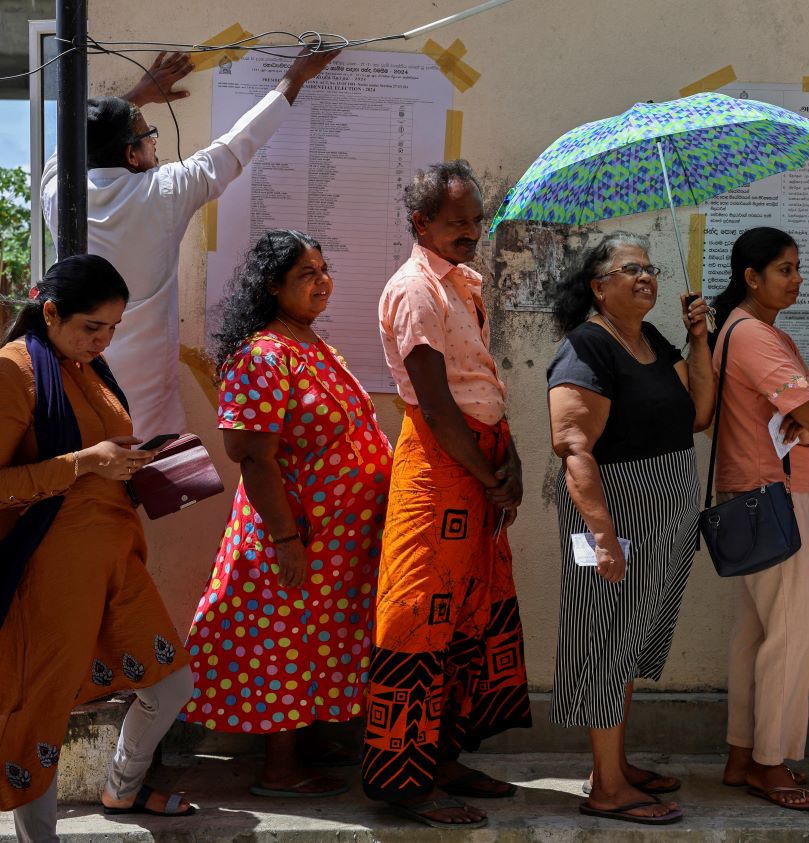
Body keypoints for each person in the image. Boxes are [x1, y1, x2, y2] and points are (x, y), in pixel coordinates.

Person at [180, 230, 392, 797]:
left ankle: (313, 741)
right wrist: (285, 539)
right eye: (307, 274)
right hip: (293, 534)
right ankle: (279, 768)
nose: (323, 283)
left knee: (318, 639)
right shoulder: (263, 354)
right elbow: (252, 454)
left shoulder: (312, 346)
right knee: (283, 645)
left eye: (325, 271)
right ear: (273, 286)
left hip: (335, 540)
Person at [41, 48, 339, 439]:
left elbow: (78, 141)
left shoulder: (57, 191)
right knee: (147, 487)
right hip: (145, 398)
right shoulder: (164, 192)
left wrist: (139, 95)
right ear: (132, 154)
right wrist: (296, 76)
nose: (155, 146)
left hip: (73, 382)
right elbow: (237, 145)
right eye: (149, 137)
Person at [0, 255, 196, 842]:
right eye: (92, 327)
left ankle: (122, 787)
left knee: (170, 684)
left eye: (113, 328)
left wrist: (143, 464)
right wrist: (86, 463)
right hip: (50, 570)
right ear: (51, 312)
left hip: (116, 556)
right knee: (43, 710)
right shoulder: (14, 372)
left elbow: (105, 452)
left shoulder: (89, 366)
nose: (103, 340)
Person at [365, 160, 531, 829]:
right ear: (421, 223)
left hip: (478, 466)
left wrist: (510, 456)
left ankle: (444, 756)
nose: (471, 231)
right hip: (440, 472)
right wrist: (490, 473)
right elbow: (436, 406)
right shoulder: (414, 290)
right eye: (457, 221)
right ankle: (405, 780)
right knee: (417, 621)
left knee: (467, 616)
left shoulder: (462, 286)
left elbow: (481, 384)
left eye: (475, 219)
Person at [547, 232, 714, 826]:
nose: (646, 277)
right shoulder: (586, 349)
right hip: (610, 519)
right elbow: (573, 449)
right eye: (630, 268)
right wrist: (601, 537)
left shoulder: (651, 340)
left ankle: (612, 764)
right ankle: (608, 788)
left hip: (664, 513)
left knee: (632, 639)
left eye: (650, 267)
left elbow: (698, 412)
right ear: (598, 286)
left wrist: (699, 340)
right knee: (603, 641)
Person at [709, 227, 809, 812]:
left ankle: (742, 755)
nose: (797, 278)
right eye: (785, 268)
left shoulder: (740, 330)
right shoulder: (754, 335)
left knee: (757, 634)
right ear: (751, 276)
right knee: (795, 633)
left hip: (752, 495)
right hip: (772, 494)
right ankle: (770, 762)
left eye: (797, 267)